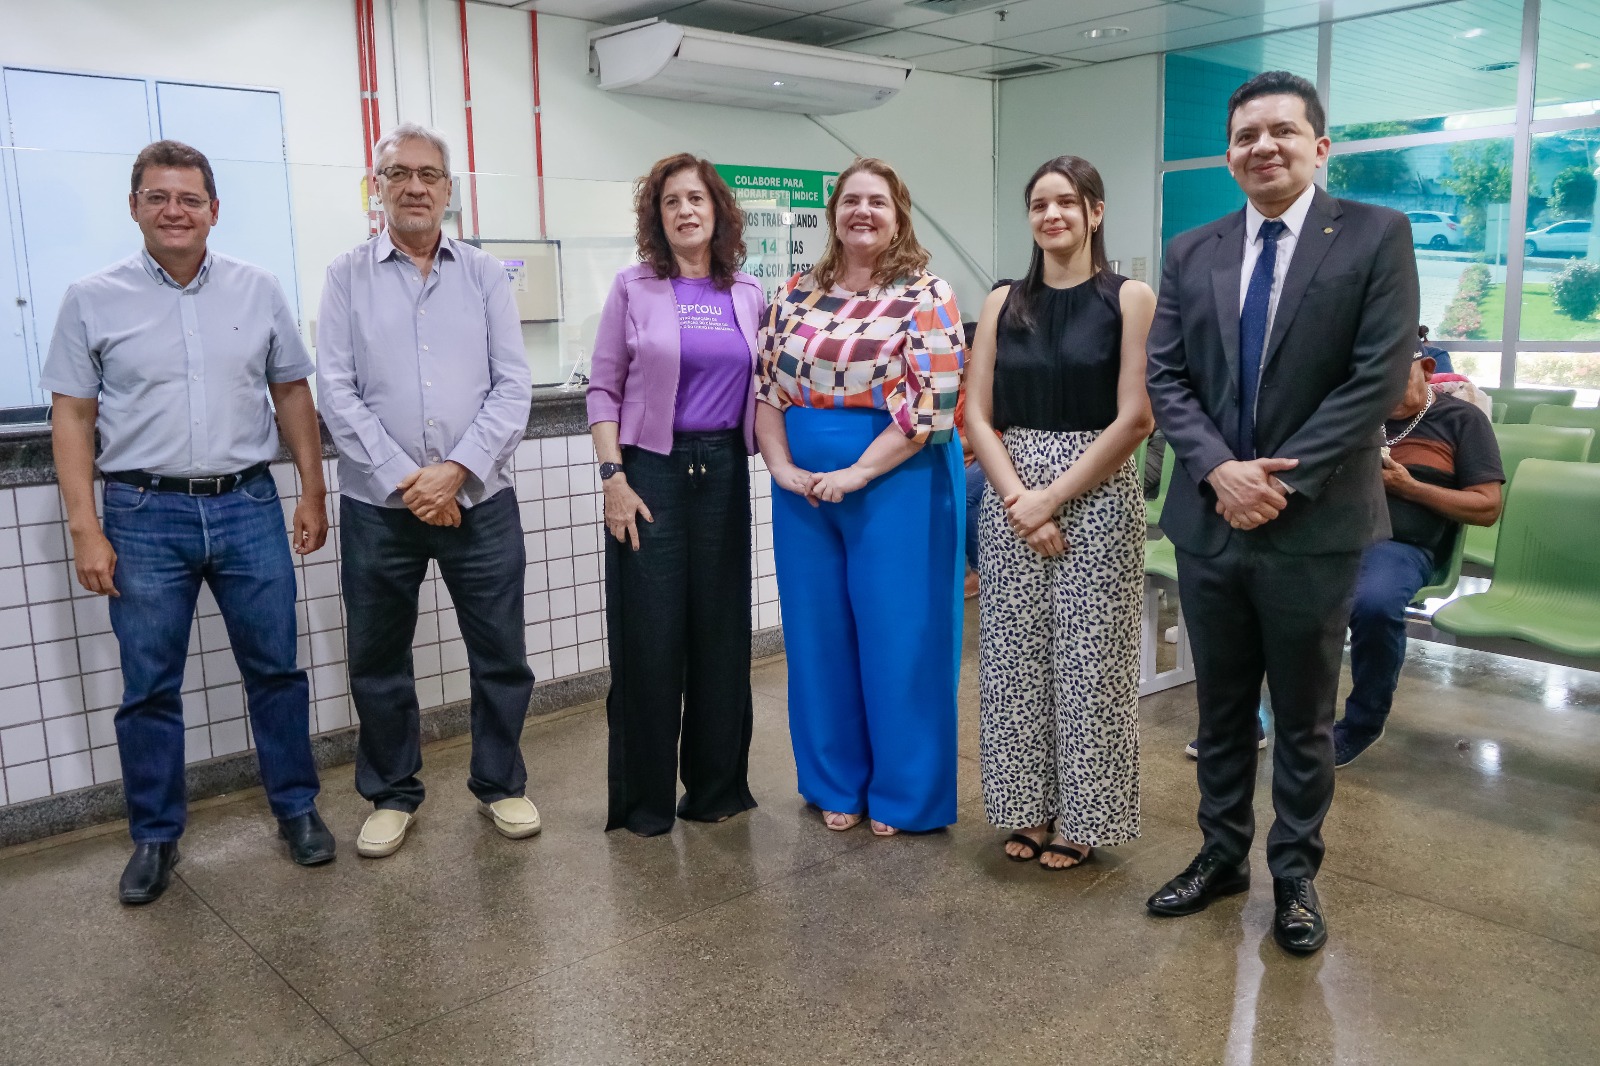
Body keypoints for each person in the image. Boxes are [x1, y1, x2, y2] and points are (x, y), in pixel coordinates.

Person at [1144, 71, 1418, 954]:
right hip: (1210, 520)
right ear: (1228, 155)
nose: (1263, 146)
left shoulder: (1375, 234)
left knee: (1302, 717)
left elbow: (1376, 378)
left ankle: (1295, 875)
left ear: (1319, 146)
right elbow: (1166, 377)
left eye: (1283, 132)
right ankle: (1221, 855)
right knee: (1221, 708)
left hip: (1316, 524)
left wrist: (1279, 483)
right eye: (1246, 136)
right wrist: (1221, 472)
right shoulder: (1194, 249)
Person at [42, 140, 334, 904]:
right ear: (134, 206)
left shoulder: (258, 288)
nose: (175, 210)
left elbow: (292, 393)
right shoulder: (91, 298)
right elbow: (72, 417)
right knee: (148, 686)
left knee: (276, 671)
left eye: (189, 198)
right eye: (159, 197)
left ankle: (297, 808)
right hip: (143, 515)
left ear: (213, 210)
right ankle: (154, 834)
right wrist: (85, 527)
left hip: (247, 505)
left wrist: (312, 492)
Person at [317, 123, 536, 859]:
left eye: (429, 174)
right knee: (378, 659)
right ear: (376, 187)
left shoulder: (483, 274)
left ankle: (501, 783)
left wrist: (456, 471)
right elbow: (336, 390)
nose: (414, 186)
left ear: (448, 189)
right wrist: (404, 480)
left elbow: (512, 385)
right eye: (398, 174)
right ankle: (391, 793)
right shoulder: (346, 276)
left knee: (501, 652)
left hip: (480, 500)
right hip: (380, 508)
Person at [755, 157, 965, 837]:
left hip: (897, 479)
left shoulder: (927, 293)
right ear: (834, 213)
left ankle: (905, 793)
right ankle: (832, 781)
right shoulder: (795, 292)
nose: (862, 211)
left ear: (898, 214)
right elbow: (767, 391)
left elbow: (932, 407)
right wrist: (781, 466)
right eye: (851, 200)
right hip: (802, 491)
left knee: (899, 636)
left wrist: (857, 473)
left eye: (877, 201)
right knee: (816, 635)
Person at [965, 156, 1155, 870]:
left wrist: (1052, 497)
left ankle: (1086, 817)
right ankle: (1029, 810)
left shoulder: (1130, 298)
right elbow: (977, 414)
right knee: (1013, 661)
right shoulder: (1002, 301)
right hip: (1010, 487)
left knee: (1091, 664)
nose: (1052, 215)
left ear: (1095, 213)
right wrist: (1022, 499)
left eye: (1067, 202)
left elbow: (1136, 417)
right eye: (1040, 204)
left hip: (1098, 492)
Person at [587, 154, 764, 836]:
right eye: (671, 201)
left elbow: (770, 385)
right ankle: (645, 801)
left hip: (722, 469)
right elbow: (602, 388)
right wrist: (614, 477)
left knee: (721, 634)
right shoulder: (633, 287)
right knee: (650, 636)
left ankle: (717, 788)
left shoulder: (746, 292)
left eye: (696, 198)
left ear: (717, 210)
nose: (686, 210)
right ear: (656, 217)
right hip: (649, 473)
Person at [1335, 351, 1503, 766]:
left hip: (1402, 543)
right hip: (1335, 535)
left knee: (1374, 603)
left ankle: (1364, 722)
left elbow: (1487, 507)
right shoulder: (1353, 414)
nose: (1383, 389)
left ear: (1426, 369)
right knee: (1260, 582)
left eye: (1394, 375)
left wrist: (1410, 488)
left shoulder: (1462, 420)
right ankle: (1247, 719)